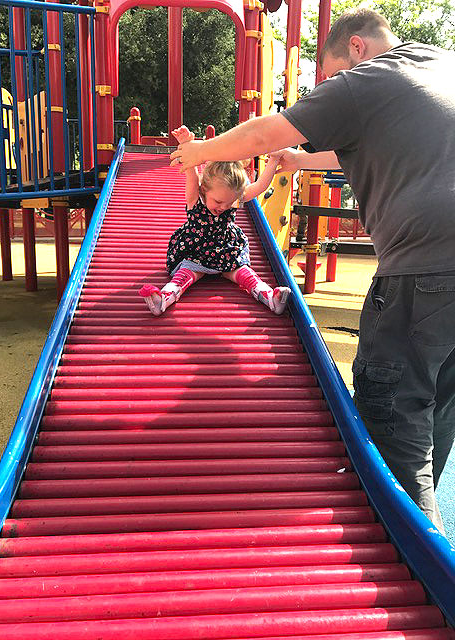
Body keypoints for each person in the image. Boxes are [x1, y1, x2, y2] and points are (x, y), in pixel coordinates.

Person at [169, 9, 455, 533]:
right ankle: (422, 523)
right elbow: (373, 150)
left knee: (395, 413)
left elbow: (259, 135)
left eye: (329, 73)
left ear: (356, 48)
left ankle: (414, 549)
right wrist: (299, 162)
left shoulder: (367, 78)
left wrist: (199, 151)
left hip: (425, 269)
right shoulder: (442, 66)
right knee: (440, 401)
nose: (332, 85)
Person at [139, 125, 291, 316]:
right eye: (218, 201)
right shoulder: (195, 197)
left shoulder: (231, 198)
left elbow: (260, 186)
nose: (223, 207)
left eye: (228, 203)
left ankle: (269, 297)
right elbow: (192, 174)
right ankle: (163, 299)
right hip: (196, 252)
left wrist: (274, 160)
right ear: (204, 190)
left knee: (244, 273)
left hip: (226, 251)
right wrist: (187, 145)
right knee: (185, 275)